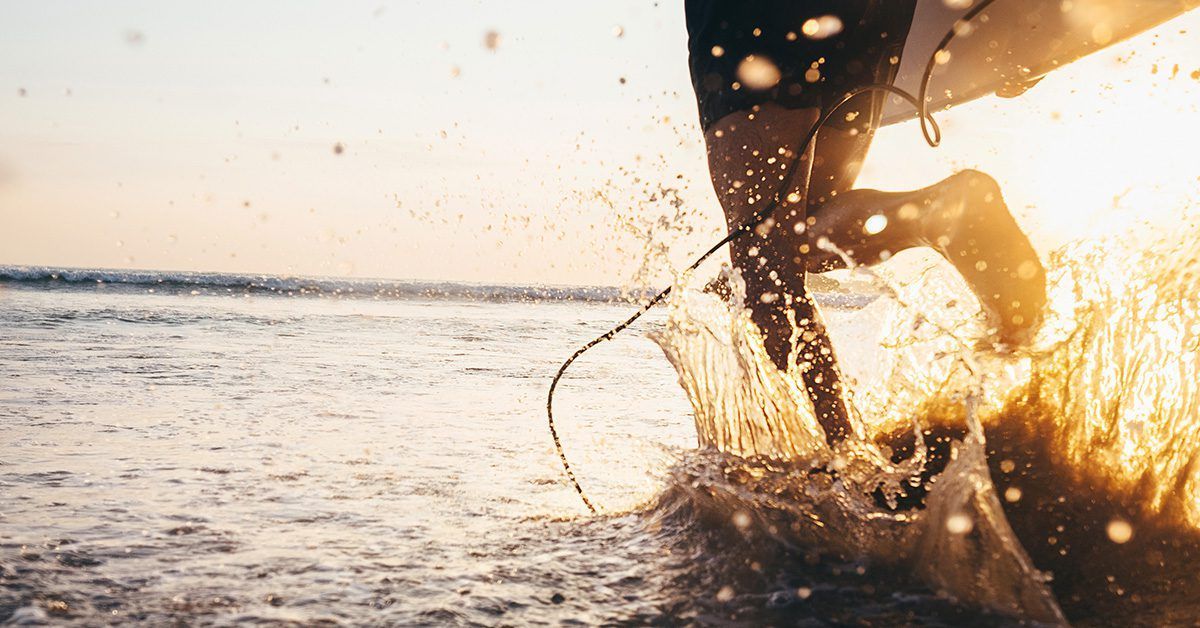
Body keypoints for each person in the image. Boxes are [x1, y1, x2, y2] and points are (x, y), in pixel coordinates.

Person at [685, 0, 1047, 445]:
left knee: (764, 265)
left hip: (755, 15)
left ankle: (841, 466)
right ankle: (934, 213)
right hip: (873, 12)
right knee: (801, 238)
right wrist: (1027, 32)